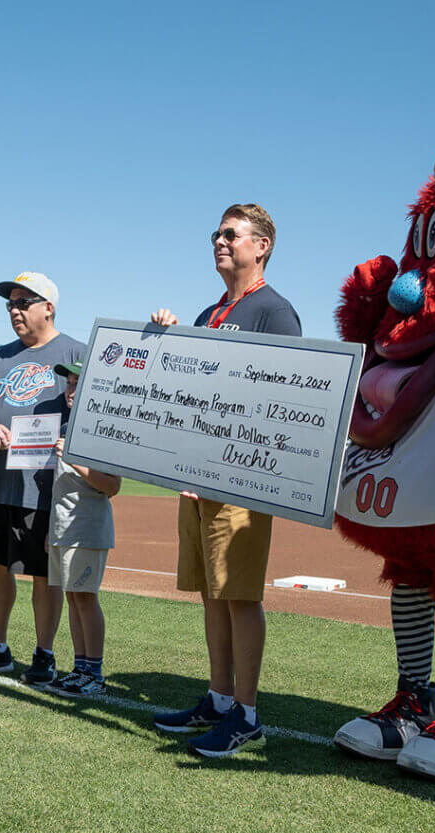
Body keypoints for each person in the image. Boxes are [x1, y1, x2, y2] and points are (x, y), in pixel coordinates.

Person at [151, 203, 301, 756]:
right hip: (197, 482)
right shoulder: (210, 312)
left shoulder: (274, 311)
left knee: (239, 596)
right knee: (212, 594)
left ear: (261, 246)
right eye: (216, 233)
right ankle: (217, 701)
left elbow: (282, 402)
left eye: (232, 234)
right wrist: (162, 339)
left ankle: (247, 713)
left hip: (241, 484)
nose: (220, 241)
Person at [0, 272, 84, 684]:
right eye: (10, 303)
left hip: (47, 486)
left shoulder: (77, 353)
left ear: (49, 307)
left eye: (24, 302)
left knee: (45, 574)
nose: (14, 309)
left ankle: (44, 654)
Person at [42, 360, 120, 697]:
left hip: (87, 527)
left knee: (85, 598)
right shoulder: (67, 426)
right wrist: (50, 528)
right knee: (73, 598)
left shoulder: (102, 428)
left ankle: (95, 673)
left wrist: (75, 460)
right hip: (63, 527)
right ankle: (80, 667)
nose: (70, 389)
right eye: (69, 383)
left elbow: (112, 485)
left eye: (78, 383)